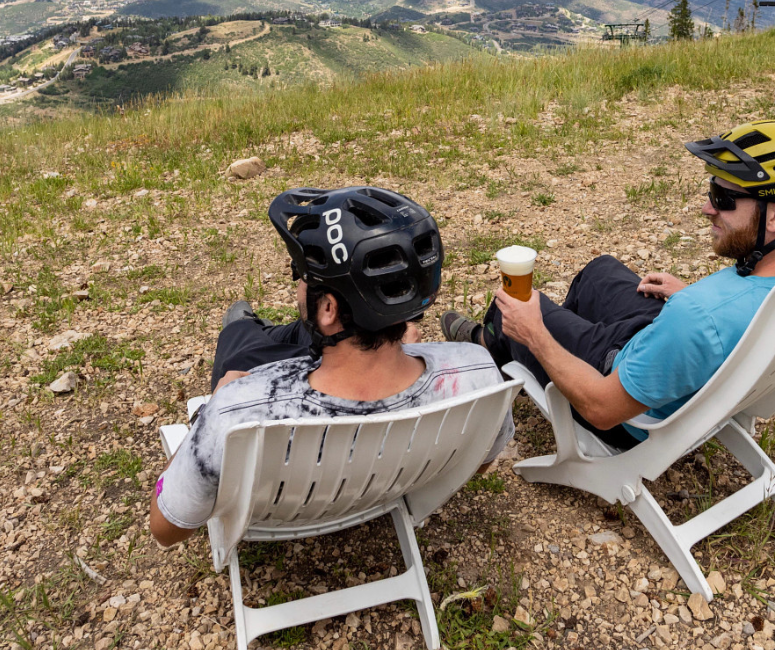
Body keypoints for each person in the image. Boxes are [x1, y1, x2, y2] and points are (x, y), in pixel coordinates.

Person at [148, 186, 510, 548]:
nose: (299, 285)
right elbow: (478, 461)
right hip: (395, 471)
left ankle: (242, 327)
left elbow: (166, 528)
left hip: (278, 500)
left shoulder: (237, 410)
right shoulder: (477, 371)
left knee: (239, 341)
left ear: (328, 309)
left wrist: (211, 409)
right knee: (282, 337)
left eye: (301, 275)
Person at [441, 121, 775, 447]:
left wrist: (537, 334)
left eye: (723, 197)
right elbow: (745, 316)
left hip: (625, 399)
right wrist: (689, 295)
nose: (707, 208)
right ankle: (568, 341)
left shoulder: (698, 318)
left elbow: (602, 408)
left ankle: (492, 345)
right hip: (672, 344)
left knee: (515, 305)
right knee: (600, 270)